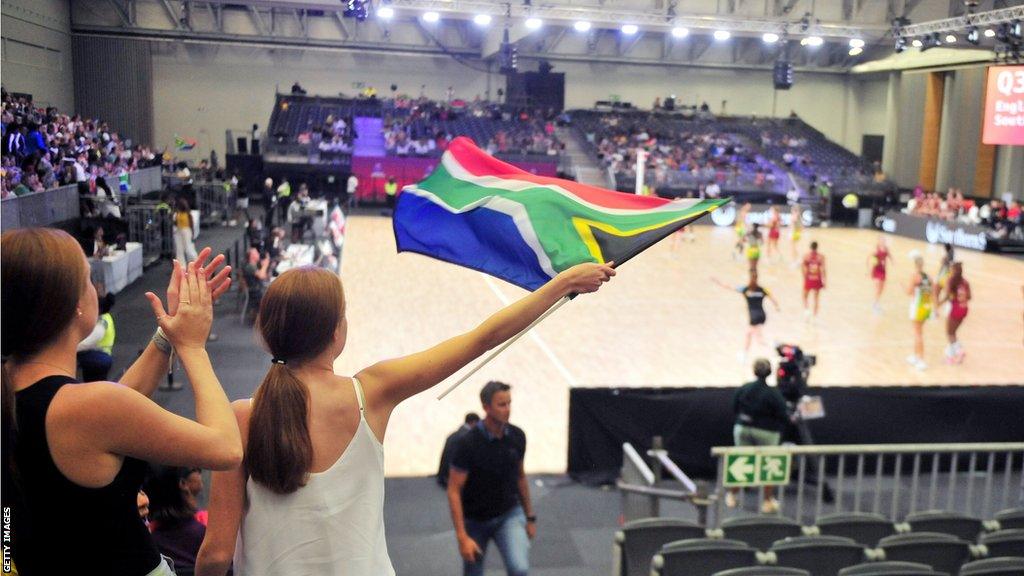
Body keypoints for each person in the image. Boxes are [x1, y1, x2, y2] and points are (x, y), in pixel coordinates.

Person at [195, 262, 615, 576]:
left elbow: (215, 555)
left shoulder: (242, 418)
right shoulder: (371, 392)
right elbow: (482, 338)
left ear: (269, 332)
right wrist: (565, 283)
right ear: (336, 332)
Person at [2, 229, 241, 575]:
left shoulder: (26, 394)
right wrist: (192, 347)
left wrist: (167, 334)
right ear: (73, 305)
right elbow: (227, 448)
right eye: (88, 278)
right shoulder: (88, 408)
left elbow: (111, 413)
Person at [448, 382, 534, 576]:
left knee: (520, 569)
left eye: (509, 403)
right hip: (475, 521)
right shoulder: (467, 444)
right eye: (501, 405)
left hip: (509, 515)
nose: (508, 409)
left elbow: (520, 476)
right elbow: (453, 490)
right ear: (486, 407)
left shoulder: (518, 436)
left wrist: (530, 517)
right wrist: (462, 537)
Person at [727, 358, 789, 513]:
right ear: (769, 372)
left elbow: (734, 407)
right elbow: (783, 414)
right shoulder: (773, 393)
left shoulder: (744, 389)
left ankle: (732, 496)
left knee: (742, 462)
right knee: (769, 464)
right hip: (767, 432)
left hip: (743, 428)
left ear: (754, 371)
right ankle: (767, 501)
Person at [145, 466, 208, 575]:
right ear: (183, 483)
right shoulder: (207, 535)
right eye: (195, 468)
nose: (199, 472)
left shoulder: (148, 542)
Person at [713, 271, 780, 363]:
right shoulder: (762, 289)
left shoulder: (746, 289)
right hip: (762, 315)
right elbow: (773, 298)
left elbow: (730, 287)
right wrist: (777, 306)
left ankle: (774, 345)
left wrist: (718, 282)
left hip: (754, 316)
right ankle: (744, 354)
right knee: (749, 335)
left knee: (759, 340)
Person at [76, 290, 116, 381]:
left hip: (97, 358)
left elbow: (87, 343)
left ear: (99, 309)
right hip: (101, 358)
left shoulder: (101, 322)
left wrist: (70, 348)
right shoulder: (106, 317)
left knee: (91, 385)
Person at [905, 250, 933, 371]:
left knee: (918, 334)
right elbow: (931, 291)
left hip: (917, 307)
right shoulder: (928, 276)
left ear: (915, 264)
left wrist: (903, 287)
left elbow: (909, 292)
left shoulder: (915, 276)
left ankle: (921, 360)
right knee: (918, 332)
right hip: (926, 307)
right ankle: (916, 356)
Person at [437, 412, 481, 486]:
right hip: (453, 477)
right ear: (474, 422)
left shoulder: (454, 435)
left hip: (444, 475)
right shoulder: (467, 437)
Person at [939, 262, 971, 364]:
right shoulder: (965, 282)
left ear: (954, 271)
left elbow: (948, 296)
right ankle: (950, 357)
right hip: (964, 308)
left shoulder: (950, 281)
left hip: (955, 309)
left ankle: (959, 351)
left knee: (950, 333)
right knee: (953, 333)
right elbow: (969, 297)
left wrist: (940, 303)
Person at [241, 247, 270, 324]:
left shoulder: (254, 265)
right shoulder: (250, 267)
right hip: (254, 292)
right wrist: (265, 265)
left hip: (258, 288)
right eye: (256, 253)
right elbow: (261, 276)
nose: (258, 254)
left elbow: (264, 276)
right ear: (252, 256)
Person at [802, 241, 826, 321]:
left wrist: (805, 277)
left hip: (809, 278)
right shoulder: (821, 257)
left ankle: (806, 310)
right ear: (817, 247)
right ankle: (815, 317)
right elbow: (823, 270)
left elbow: (803, 269)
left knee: (805, 296)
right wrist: (824, 281)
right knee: (816, 298)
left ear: (810, 247)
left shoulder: (806, 256)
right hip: (817, 279)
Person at [868, 236, 892, 314]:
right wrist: (869, 268)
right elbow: (869, 258)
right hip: (876, 270)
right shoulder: (876, 249)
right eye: (882, 241)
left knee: (882, 288)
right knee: (878, 287)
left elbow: (889, 255)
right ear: (879, 241)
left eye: (884, 241)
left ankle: (877, 302)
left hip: (883, 270)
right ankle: (874, 304)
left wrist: (892, 261)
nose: (883, 242)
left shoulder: (886, 249)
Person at [174, 197, 199, 263]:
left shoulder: (188, 214)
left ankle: (195, 261)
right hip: (179, 231)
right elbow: (176, 223)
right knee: (179, 249)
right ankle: (181, 265)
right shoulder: (178, 213)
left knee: (188, 247)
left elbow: (191, 224)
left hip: (186, 230)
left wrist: (192, 233)